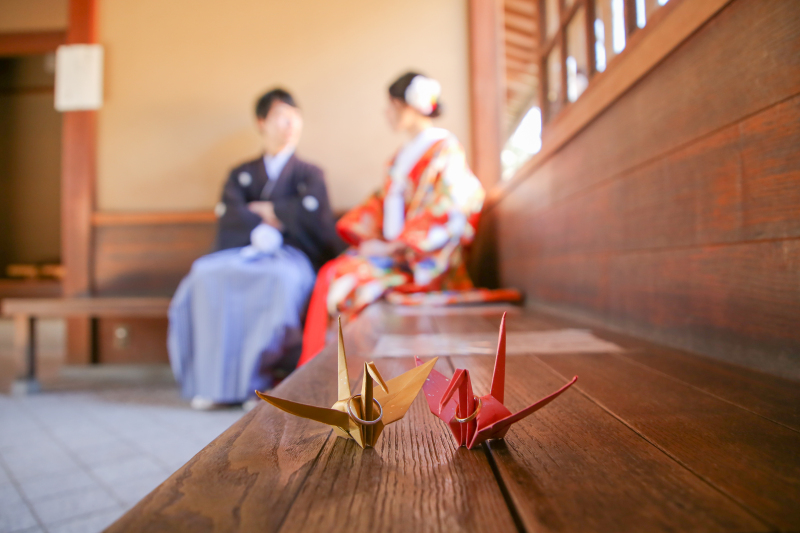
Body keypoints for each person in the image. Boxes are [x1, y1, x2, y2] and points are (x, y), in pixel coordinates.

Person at [168, 88, 345, 409]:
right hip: (244, 252)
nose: (289, 125)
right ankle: (212, 385)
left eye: (294, 118)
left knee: (279, 281)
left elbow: (314, 219)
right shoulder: (241, 173)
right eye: (280, 117)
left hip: (290, 256)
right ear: (261, 122)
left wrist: (268, 209)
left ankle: (262, 382)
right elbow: (232, 214)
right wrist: (282, 211)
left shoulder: (310, 174)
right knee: (205, 274)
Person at [299, 72, 485, 365]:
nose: (387, 113)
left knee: (344, 279)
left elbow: (450, 206)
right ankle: (322, 372)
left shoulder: (444, 148)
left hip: (422, 260)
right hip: (395, 252)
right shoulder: (402, 155)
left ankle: (346, 371)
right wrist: (371, 240)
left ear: (409, 106)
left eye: (392, 105)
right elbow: (382, 203)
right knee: (332, 272)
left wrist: (392, 248)